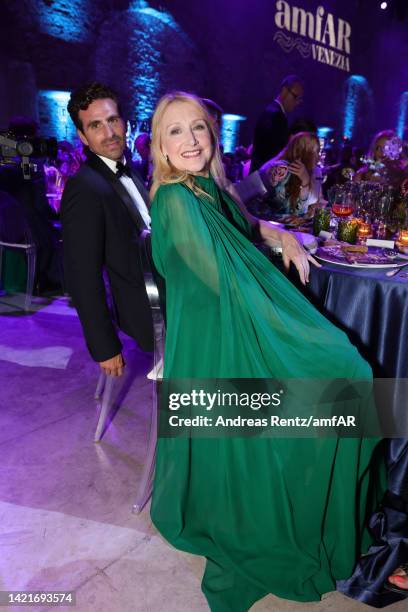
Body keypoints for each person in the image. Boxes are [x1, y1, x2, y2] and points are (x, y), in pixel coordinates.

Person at [148, 91, 382, 611]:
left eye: (199, 129)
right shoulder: (175, 200)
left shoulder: (208, 189)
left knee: (343, 380)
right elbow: (230, 285)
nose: (191, 140)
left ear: (213, 136)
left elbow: (245, 227)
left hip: (227, 325)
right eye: (176, 131)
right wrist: (302, 334)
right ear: (161, 147)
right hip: (215, 344)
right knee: (342, 374)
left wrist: (278, 234)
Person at [61, 82, 153, 377]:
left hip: (164, 283)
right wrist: (105, 346)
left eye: (113, 120)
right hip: (146, 307)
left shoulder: (133, 168)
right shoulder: (84, 188)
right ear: (82, 136)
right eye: (96, 125)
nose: (110, 133)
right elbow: (81, 274)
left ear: (124, 122)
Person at [257, 131, 321, 217]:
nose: (318, 156)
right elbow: (294, 212)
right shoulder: (282, 169)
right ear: (304, 153)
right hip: (264, 224)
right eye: (316, 151)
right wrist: (305, 181)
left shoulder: (306, 171)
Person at [250, 74, 304, 172]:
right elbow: (274, 155)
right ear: (284, 91)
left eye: (299, 100)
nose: (297, 103)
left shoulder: (272, 112)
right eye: (296, 97)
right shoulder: (276, 116)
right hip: (263, 179)